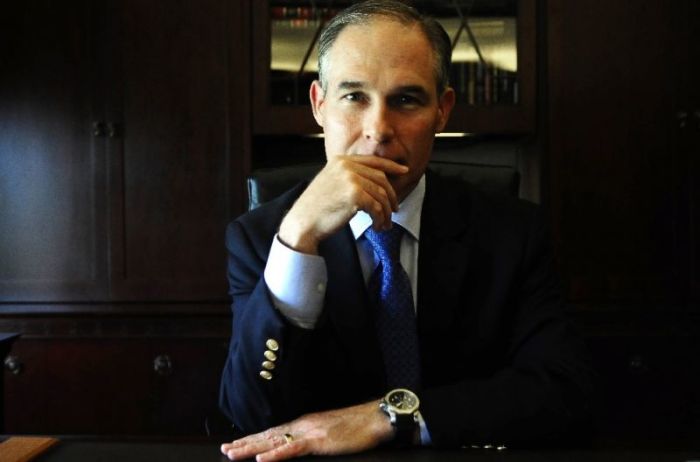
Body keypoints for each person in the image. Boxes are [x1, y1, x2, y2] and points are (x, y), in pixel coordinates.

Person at [219, 1, 593, 460]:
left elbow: (563, 391)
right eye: (354, 97)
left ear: (442, 111)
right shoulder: (261, 237)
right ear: (319, 105)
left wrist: (389, 417)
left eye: (406, 100)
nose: (378, 130)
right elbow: (252, 418)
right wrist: (297, 237)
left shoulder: (512, 234)